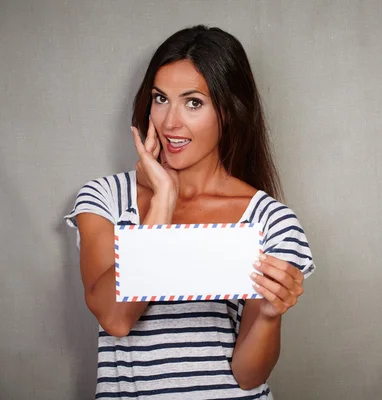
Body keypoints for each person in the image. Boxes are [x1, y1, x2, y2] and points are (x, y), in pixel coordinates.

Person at [64, 25, 315, 399]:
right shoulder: (104, 200)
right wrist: (162, 202)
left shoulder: (270, 221)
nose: (170, 123)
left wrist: (269, 314)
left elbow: (248, 376)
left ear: (228, 112)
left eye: (193, 102)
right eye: (161, 99)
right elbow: (116, 319)